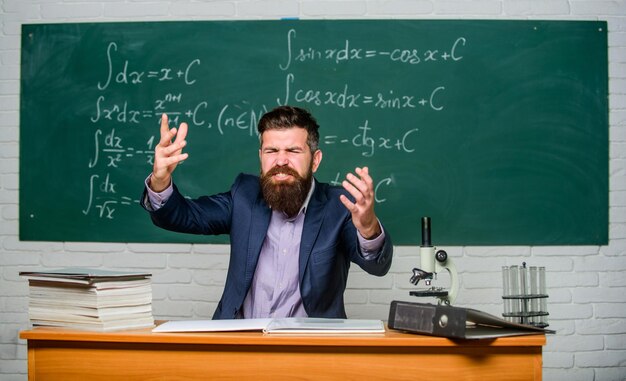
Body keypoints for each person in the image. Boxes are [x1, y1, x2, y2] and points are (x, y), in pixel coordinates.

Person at [141, 106, 393, 319]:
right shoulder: (244, 197)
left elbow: (377, 267)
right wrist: (160, 180)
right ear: (261, 156)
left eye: (293, 151)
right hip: (240, 345)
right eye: (272, 151)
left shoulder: (339, 206)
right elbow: (181, 215)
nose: (281, 161)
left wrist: (368, 227)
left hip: (313, 348)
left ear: (315, 160)